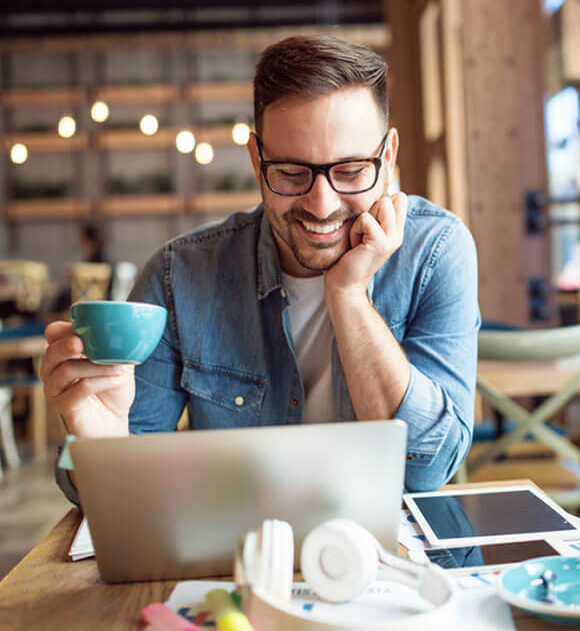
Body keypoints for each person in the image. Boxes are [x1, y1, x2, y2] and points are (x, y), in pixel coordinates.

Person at [41, 36, 480, 503]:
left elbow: (429, 468)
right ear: (256, 159)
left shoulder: (435, 251)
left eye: (351, 171)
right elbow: (121, 497)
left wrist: (349, 295)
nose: (322, 204)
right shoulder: (179, 276)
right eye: (291, 172)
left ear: (387, 156)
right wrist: (99, 447)